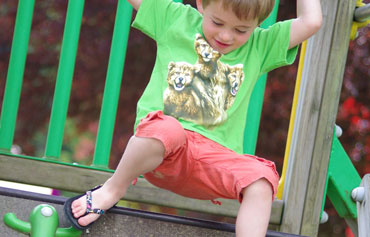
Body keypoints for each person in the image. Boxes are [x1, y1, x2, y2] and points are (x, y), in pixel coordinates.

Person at [64, 0, 322, 235]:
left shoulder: (261, 46)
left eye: (241, 30)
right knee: (166, 128)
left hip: (214, 164)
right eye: (217, 22)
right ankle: (112, 190)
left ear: (257, 25)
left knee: (262, 178)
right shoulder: (175, 19)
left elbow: (311, 22)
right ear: (201, 4)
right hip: (163, 152)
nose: (225, 35)